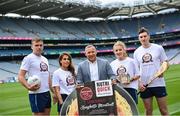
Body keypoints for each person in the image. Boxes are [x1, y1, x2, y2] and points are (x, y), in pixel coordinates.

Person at [133, 27, 169, 115]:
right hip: (145, 85)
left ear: (149, 36)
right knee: (148, 111)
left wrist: (162, 71)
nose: (143, 38)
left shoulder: (158, 48)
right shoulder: (136, 52)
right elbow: (135, 70)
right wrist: (139, 83)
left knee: (163, 110)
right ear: (139, 38)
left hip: (159, 83)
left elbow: (166, 62)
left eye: (145, 36)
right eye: (141, 37)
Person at [18, 38, 52, 115]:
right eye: (36, 45)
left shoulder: (45, 59)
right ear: (32, 47)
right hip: (36, 93)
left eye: (41, 45)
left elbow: (48, 78)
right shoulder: (28, 58)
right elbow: (20, 76)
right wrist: (28, 87)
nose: (39, 47)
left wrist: (54, 92)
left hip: (46, 93)